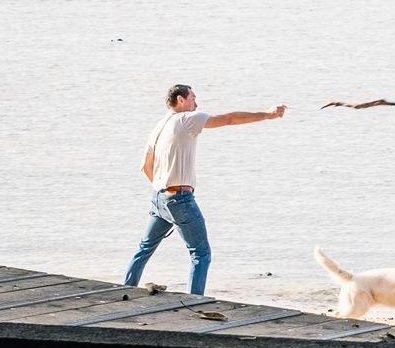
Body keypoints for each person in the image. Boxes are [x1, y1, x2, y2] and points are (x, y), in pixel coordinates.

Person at [123, 84, 287, 295]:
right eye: (193, 98)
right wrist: (268, 115)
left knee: (144, 249)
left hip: (159, 198)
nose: (196, 103)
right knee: (200, 253)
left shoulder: (158, 126)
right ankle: (194, 301)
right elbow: (228, 119)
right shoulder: (186, 119)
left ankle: (124, 291)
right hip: (179, 199)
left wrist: (164, 189)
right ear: (181, 100)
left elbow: (145, 167)